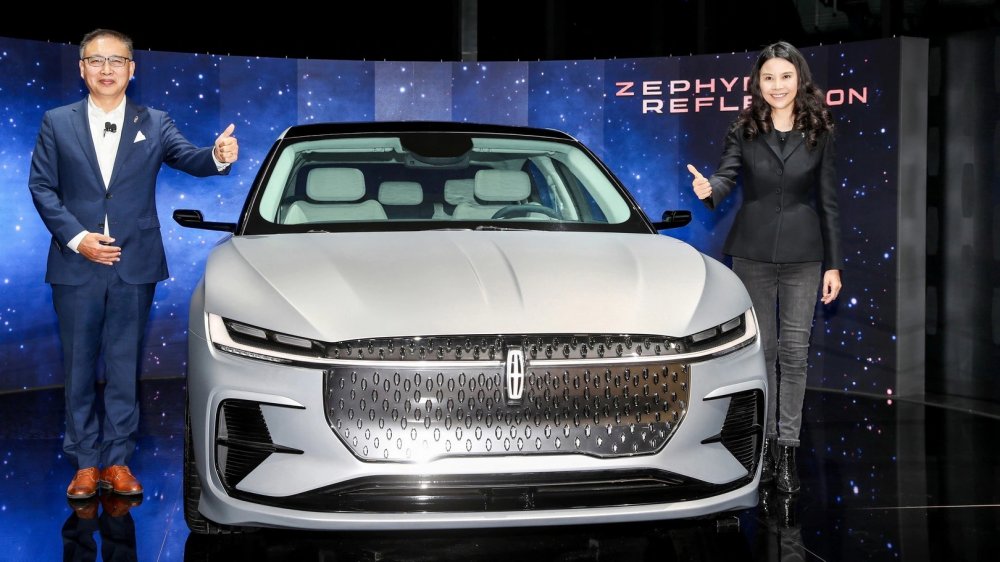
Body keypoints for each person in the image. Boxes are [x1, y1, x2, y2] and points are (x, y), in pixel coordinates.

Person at [28, 28, 239, 500]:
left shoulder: (155, 121)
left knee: (124, 366)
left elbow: (190, 157)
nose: (107, 69)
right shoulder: (56, 122)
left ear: (132, 69)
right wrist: (79, 239)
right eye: (96, 60)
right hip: (76, 263)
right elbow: (42, 186)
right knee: (78, 368)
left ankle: (118, 460)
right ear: (82, 68)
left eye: (116, 61)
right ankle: (85, 463)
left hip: (134, 262)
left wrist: (217, 157)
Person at [686, 41, 842, 493]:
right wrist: (709, 188)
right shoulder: (744, 128)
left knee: (794, 355)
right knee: (763, 353)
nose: (777, 85)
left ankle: (787, 451)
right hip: (751, 255)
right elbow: (727, 175)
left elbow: (829, 201)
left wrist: (834, 265)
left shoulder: (820, 130)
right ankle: (765, 450)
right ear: (758, 83)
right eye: (769, 77)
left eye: (785, 77)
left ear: (799, 79)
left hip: (804, 256)